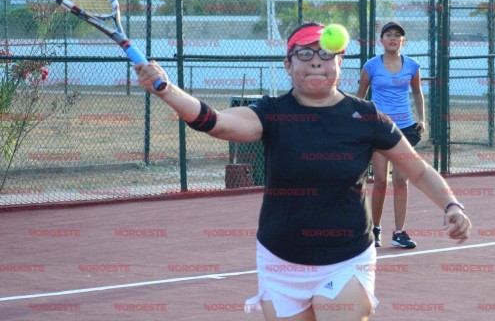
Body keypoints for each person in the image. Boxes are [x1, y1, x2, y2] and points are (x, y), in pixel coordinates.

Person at [134, 22, 471, 321]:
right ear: (287, 63)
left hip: (347, 256)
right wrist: (167, 89)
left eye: (326, 54)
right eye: (304, 53)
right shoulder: (272, 112)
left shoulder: (366, 117)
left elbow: (419, 170)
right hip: (281, 259)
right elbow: (217, 124)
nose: (315, 61)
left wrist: (452, 204)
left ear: (340, 63)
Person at [356, 21, 425, 249]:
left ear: (402, 41)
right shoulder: (371, 66)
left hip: (404, 130)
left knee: (401, 180)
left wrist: (422, 119)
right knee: (382, 181)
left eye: (397, 36)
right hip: (379, 128)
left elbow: (417, 92)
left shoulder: (413, 66)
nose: (393, 39)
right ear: (381, 40)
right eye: (388, 35)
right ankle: (375, 230)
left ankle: (399, 232)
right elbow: (360, 97)